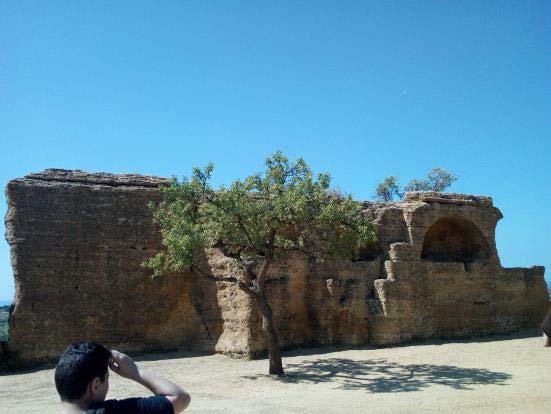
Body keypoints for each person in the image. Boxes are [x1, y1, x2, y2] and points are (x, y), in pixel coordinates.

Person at [55, 341, 190, 413]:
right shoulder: (114, 411)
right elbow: (180, 398)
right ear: (95, 385)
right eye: (107, 379)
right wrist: (136, 371)